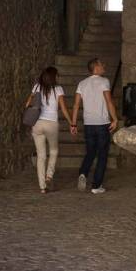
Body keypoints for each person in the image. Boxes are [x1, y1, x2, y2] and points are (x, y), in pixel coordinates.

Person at [70, 58, 119, 194]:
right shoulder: (104, 81)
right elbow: (109, 101)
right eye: (102, 64)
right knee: (102, 155)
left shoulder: (82, 83)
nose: (104, 65)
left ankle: (83, 173)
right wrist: (115, 119)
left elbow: (76, 105)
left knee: (90, 152)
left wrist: (73, 124)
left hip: (88, 124)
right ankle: (96, 186)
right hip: (102, 124)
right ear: (96, 67)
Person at [25, 66, 74, 194]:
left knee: (41, 155)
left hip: (37, 124)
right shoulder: (58, 89)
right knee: (53, 151)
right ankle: (49, 176)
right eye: (57, 75)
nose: (58, 77)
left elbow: (27, 104)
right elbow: (63, 108)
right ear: (53, 76)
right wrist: (72, 123)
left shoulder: (36, 87)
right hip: (51, 124)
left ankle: (42, 187)